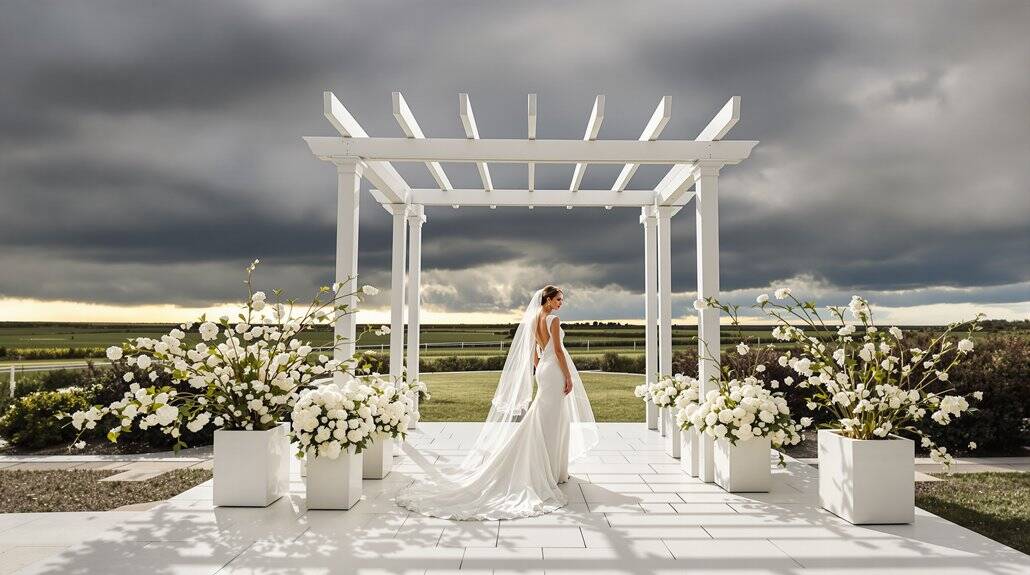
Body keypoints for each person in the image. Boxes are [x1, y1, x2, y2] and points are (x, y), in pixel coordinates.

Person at [395, 286, 599, 520]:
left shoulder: (533, 319)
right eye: (558, 299)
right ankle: (551, 471)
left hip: (543, 369)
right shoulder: (553, 319)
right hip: (553, 369)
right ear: (548, 299)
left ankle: (550, 468)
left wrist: (540, 368)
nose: (561, 303)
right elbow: (560, 352)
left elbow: (534, 351)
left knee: (543, 417)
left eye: (562, 300)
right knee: (553, 419)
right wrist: (569, 376)